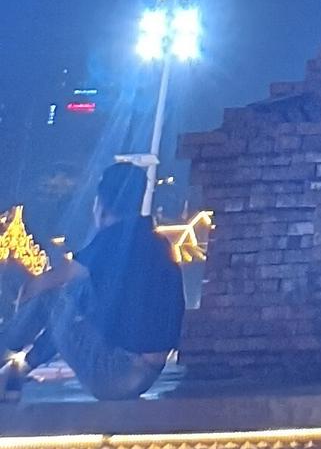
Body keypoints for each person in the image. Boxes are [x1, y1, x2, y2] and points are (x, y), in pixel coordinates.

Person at [1, 161, 184, 401]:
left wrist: (21, 305)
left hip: (117, 370)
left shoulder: (113, 240)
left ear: (101, 204)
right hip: (143, 375)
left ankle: (5, 356)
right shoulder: (158, 244)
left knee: (52, 299)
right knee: (73, 303)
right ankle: (14, 375)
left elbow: (42, 285)